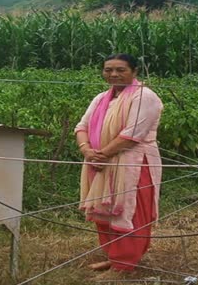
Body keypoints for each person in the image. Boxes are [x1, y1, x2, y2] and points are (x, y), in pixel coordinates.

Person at [74, 53, 163, 272]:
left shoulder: (145, 96)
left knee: (130, 212)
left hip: (133, 163)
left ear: (134, 72)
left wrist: (102, 154)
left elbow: (133, 134)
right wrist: (87, 150)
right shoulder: (101, 98)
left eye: (121, 70)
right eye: (108, 70)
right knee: (104, 211)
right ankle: (115, 257)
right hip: (99, 163)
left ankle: (126, 262)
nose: (114, 74)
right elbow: (81, 127)